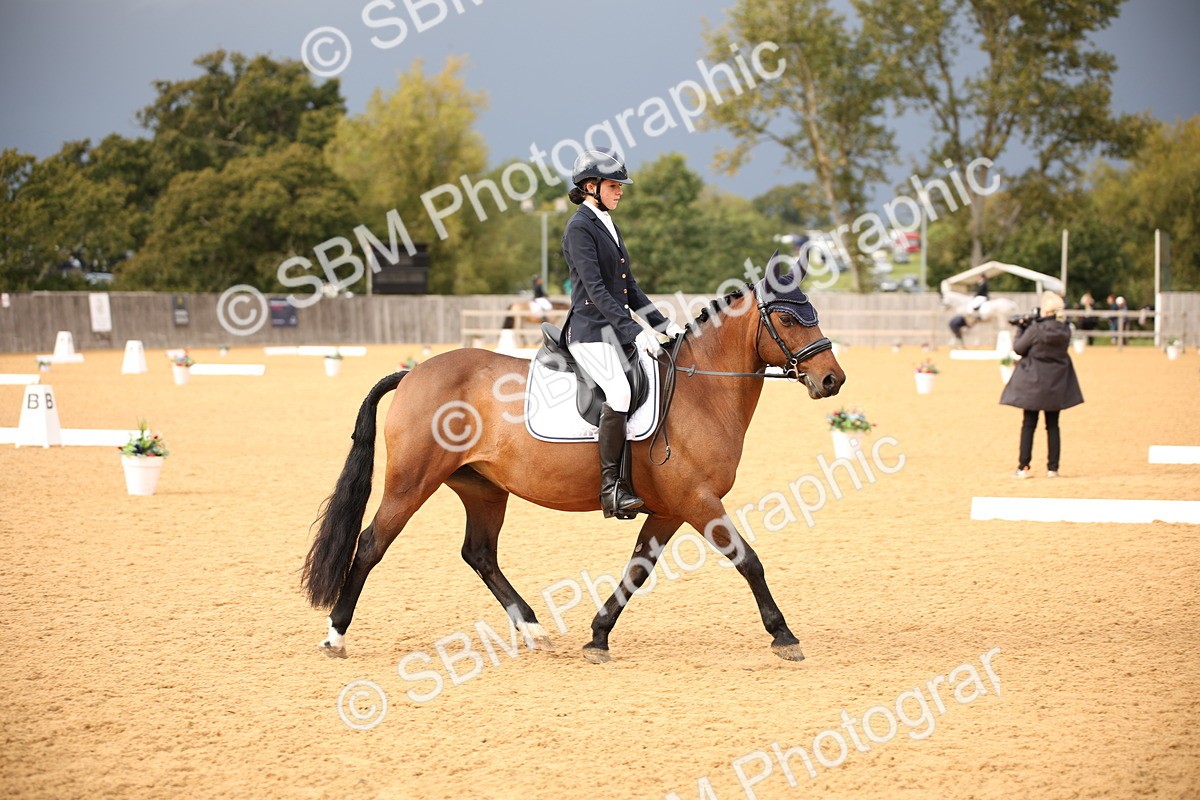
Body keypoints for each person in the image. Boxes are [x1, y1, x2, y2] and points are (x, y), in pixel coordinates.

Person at [560, 149, 684, 518]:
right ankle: (611, 488)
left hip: (612, 330)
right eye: (614, 185)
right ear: (590, 187)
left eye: (620, 186)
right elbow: (596, 290)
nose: (621, 192)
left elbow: (629, 289)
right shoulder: (579, 227)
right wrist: (634, 329)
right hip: (590, 332)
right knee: (620, 392)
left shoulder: (607, 223)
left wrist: (663, 325)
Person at [999, 291, 1084, 478]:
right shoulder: (1065, 329)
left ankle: (1024, 467)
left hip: (1034, 383)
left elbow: (1019, 349)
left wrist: (1022, 328)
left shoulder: (1035, 329)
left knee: (1029, 424)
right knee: (1053, 425)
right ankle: (1053, 468)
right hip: (1056, 383)